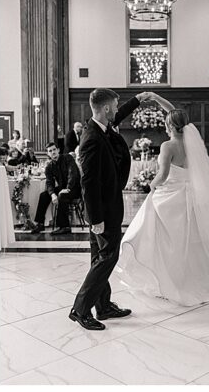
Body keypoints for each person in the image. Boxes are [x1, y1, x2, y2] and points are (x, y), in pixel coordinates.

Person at [115, 94, 209, 306]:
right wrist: (155, 98)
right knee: (190, 240)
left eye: (165, 123)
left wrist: (151, 186)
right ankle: (199, 279)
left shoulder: (167, 147)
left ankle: (167, 279)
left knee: (155, 235)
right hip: (189, 198)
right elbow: (173, 112)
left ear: (169, 126)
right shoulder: (191, 142)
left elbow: (162, 175)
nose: (163, 125)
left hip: (169, 196)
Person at [70, 89, 152, 331]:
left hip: (108, 206)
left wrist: (139, 99)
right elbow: (88, 183)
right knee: (108, 257)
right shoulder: (91, 139)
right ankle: (80, 309)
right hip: (102, 211)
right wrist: (96, 219)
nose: (117, 110)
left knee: (100, 257)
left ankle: (103, 306)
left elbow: (121, 114)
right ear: (105, 109)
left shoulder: (100, 126)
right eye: (114, 106)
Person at [31, 142, 80, 235]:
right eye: (50, 151)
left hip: (74, 188)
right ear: (47, 154)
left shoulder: (67, 158)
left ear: (58, 150)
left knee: (62, 196)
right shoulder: (49, 167)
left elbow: (72, 174)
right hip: (62, 188)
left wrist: (68, 188)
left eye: (54, 149)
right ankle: (40, 223)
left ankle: (64, 226)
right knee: (44, 195)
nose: (53, 152)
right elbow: (49, 183)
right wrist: (52, 194)